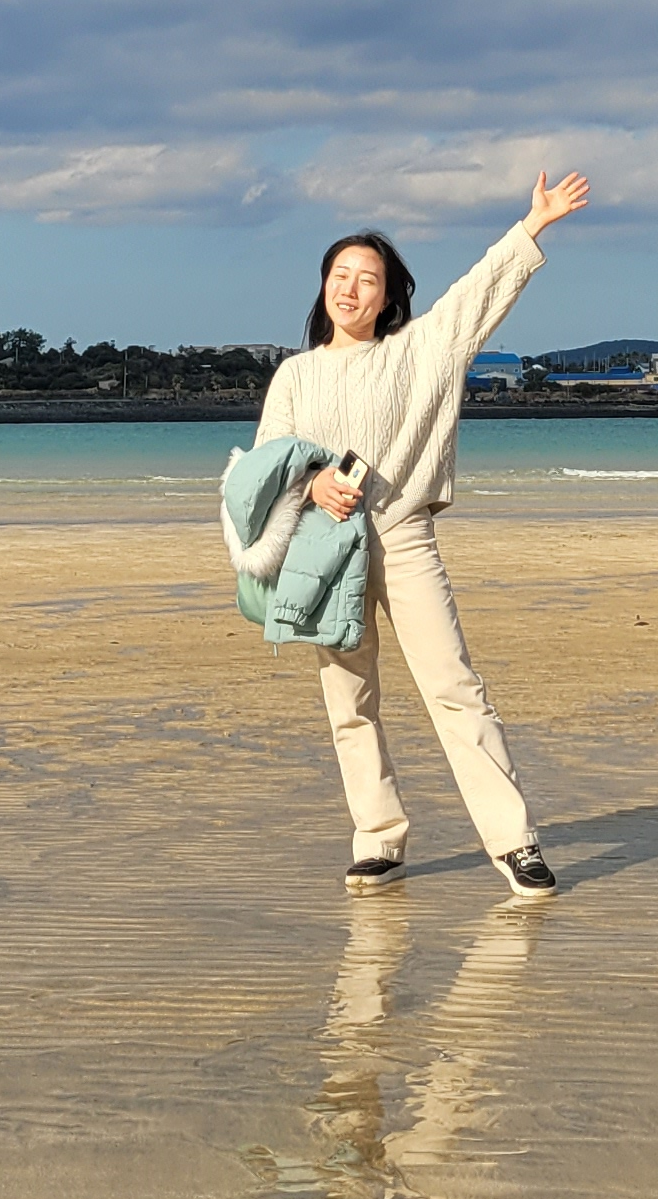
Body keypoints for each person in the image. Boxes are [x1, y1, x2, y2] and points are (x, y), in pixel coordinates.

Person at [252, 170, 588, 899]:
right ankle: (379, 841)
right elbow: (268, 462)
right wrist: (312, 484)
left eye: (367, 280)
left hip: (402, 536)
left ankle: (515, 842)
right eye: (340, 276)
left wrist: (532, 225)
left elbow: (478, 292)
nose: (351, 290)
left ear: (388, 297)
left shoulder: (423, 349)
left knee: (455, 687)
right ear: (323, 288)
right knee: (349, 700)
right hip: (324, 548)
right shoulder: (295, 376)